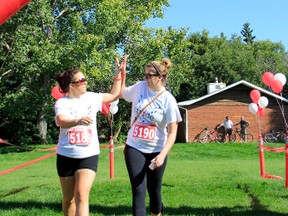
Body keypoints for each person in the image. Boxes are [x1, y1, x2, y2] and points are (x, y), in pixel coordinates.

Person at [54, 55, 128, 216]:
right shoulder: (62, 103)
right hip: (66, 155)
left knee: (81, 194)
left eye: (85, 79)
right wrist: (77, 120)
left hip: (88, 155)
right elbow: (61, 121)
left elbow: (114, 95)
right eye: (80, 80)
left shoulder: (92, 98)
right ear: (70, 85)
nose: (85, 82)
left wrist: (118, 73)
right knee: (69, 199)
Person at [120, 58, 182, 216]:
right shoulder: (140, 87)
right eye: (145, 75)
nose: (145, 78)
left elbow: (172, 132)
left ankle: (157, 213)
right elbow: (123, 93)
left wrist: (162, 155)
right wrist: (122, 73)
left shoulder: (168, 100)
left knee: (154, 190)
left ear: (160, 77)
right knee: (138, 190)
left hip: (157, 150)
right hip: (135, 147)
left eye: (149, 75)